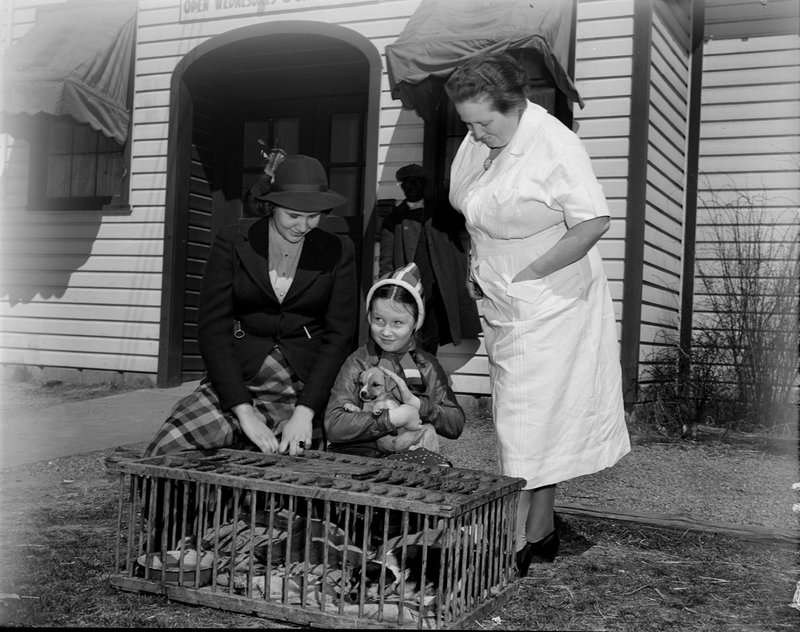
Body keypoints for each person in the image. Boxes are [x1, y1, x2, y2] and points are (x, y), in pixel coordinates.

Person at [445, 53, 631, 576]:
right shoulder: (480, 138)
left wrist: (527, 276)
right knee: (529, 416)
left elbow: (592, 222)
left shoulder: (555, 144)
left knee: (522, 422)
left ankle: (512, 544)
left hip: (551, 298)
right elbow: (476, 210)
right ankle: (541, 530)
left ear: (518, 106)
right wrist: (480, 266)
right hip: (502, 297)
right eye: (468, 124)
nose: (476, 134)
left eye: (484, 122)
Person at [145, 155, 357, 458]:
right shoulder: (233, 239)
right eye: (294, 215)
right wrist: (243, 411)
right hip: (238, 376)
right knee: (165, 450)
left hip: (303, 383)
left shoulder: (338, 250)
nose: (303, 226)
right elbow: (213, 329)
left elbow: (339, 336)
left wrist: (305, 413)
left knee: (291, 468)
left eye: (314, 217)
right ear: (272, 206)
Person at [324, 262, 465, 466]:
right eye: (378, 319)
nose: (386, 331)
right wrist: (392, 418)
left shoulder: (426, 365)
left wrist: (419, 405)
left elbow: (456, 423)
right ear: (368, 316)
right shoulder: (359, 361)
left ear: (416, 323)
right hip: (359, 458)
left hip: (412, 455)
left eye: (398, 322)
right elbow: (334, 425)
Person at [379, 164, 481, 354]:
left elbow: (469, 216)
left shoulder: (442, 213)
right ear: (402, 187)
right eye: (408, 184)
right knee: (408, 333)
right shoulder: (394, 220)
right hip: (410, 288)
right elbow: (386, 261)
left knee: (431, 335)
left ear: (424, 186)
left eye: (417, 183)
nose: (412, 188)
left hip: (438, 287)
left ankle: (429, 376)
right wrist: (387, 290)